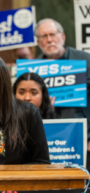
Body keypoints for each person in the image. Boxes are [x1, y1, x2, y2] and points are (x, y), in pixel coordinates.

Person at [35, 18, 90, 169]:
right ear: (39, 43)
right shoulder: (33, 69)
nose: (49, 40)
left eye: (52, 34)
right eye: (43, 37)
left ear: (63, 37)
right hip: (52, 144)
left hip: (85, 140)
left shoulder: (85, 60)